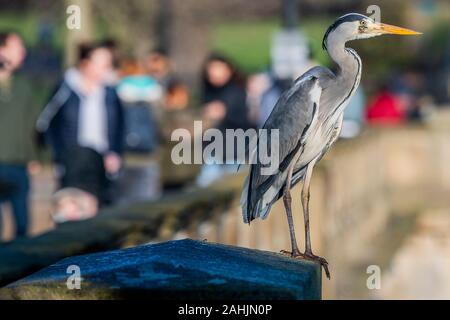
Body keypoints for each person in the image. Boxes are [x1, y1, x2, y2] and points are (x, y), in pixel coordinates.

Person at [36, 42, 124, 222]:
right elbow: (44, 123)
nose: (107, 69)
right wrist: (59, 154)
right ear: (85, 63)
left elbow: (120, 126)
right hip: (72, 160)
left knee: (99, 216)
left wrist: (115, 153)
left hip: (102, 162)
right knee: (70, 213)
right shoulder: (66, 88)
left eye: (108, 64)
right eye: (102, 64)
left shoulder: (111, 92)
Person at [0, 31, 40, 238]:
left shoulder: (23, 86)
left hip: (19, 165)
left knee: (23, 226)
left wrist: (33, 157)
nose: (23, 52)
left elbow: (31, 125)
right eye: (17, 48)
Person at [196, 53, 254, 186]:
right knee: (204, 187)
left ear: (229, 70)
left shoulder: (236, 91)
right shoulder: (207, 92)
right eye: (211, 69)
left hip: (234, 153)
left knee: (234, 189)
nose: (214, 73)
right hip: (214, 152)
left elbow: (220, 112)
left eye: (218, 68)